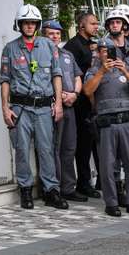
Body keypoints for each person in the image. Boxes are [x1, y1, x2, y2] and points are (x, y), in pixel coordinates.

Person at [0, 5, 68, 210]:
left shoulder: (49, 46)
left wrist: (58, 103)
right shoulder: (10, 49)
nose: (29, 26)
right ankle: (26, 190)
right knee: (21, 150)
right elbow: (5, 80)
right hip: (21, 108)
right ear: (19, 25)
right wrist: (5, 107)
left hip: (44, 107)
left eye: (32, 23)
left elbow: (57, 75)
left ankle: (50, 191)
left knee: (46, 149)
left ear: (37, 25)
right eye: (25, 23)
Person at [82, 31, 129, 218]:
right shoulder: (94, 71)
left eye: (109, 50)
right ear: (98, 53)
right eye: (102, 50)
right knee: (107, 166)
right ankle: (111, 203)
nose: (106, 54)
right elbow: (87, 91)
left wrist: (125, 70)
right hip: (106, 124)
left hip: (126, 121)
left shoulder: (123, 68)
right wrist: (102, 71)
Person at [41, 20, 87, 203]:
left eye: (58, 34)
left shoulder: (67, 54)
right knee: (53, 148)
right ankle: (54, 188)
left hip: (70, 106)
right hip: (51, 107)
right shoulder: (40, 56)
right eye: (51, 34)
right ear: (43, 36)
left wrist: (75, 94)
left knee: (69, 148)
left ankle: (68, 187)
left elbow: (77, 76)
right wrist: (59, 97)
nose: (55, 37)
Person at [63, 11, 101, 198]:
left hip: (93, 100)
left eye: (97, 24)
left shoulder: (90, 45)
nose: (96, 27)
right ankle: (83, 183)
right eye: (93, 24)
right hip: (80, 103)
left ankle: (96, 181)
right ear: (81, 26)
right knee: (82, 145)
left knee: (93, 143)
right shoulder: (73, 46)